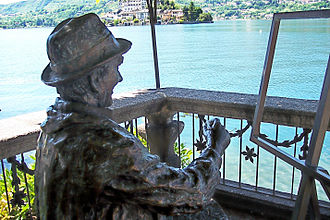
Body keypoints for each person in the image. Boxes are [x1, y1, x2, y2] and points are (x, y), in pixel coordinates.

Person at [35, 13, 230, 220]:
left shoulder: (51, 130)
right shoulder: (104, 145)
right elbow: (193, 193)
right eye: (115, 67)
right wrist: (214, 148)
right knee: (208, 213)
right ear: (94, 80)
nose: (119, 77)